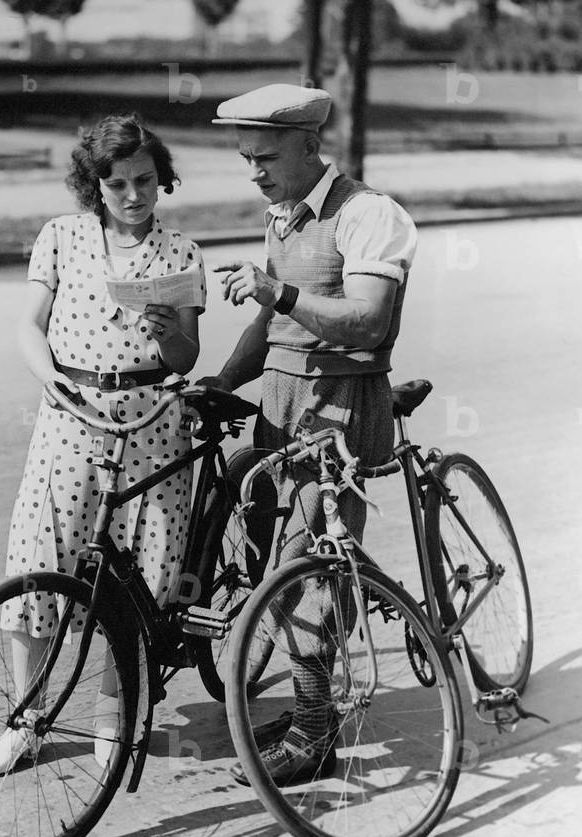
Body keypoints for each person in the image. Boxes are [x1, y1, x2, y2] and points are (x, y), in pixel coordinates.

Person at [0, 113, 206, 777]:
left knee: (138, 569)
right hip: (70, 414)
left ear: (160, 176)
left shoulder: (181, 252)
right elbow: (29, 324)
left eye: (144, 180)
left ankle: (112, 714)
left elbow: (187, 355)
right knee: (38, 555)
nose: (133, 195)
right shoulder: (61, 238)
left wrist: (167, 332)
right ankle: (26, 720)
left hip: (152, 423)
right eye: (117, 185)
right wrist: (46, 374)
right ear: (94, 186)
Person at [202, 83, 418, 787]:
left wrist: (279, 293)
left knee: (306, 569)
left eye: (264, 157)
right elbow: (269, 327)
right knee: (269, 559)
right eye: (246, 159)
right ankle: (307, 703)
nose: (254, 172)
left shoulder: (368, 215)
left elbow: (368, 321)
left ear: (307, 146)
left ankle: (315, 733)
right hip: (282, 400)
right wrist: (220, 383)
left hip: (338, 407)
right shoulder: (284, 215)